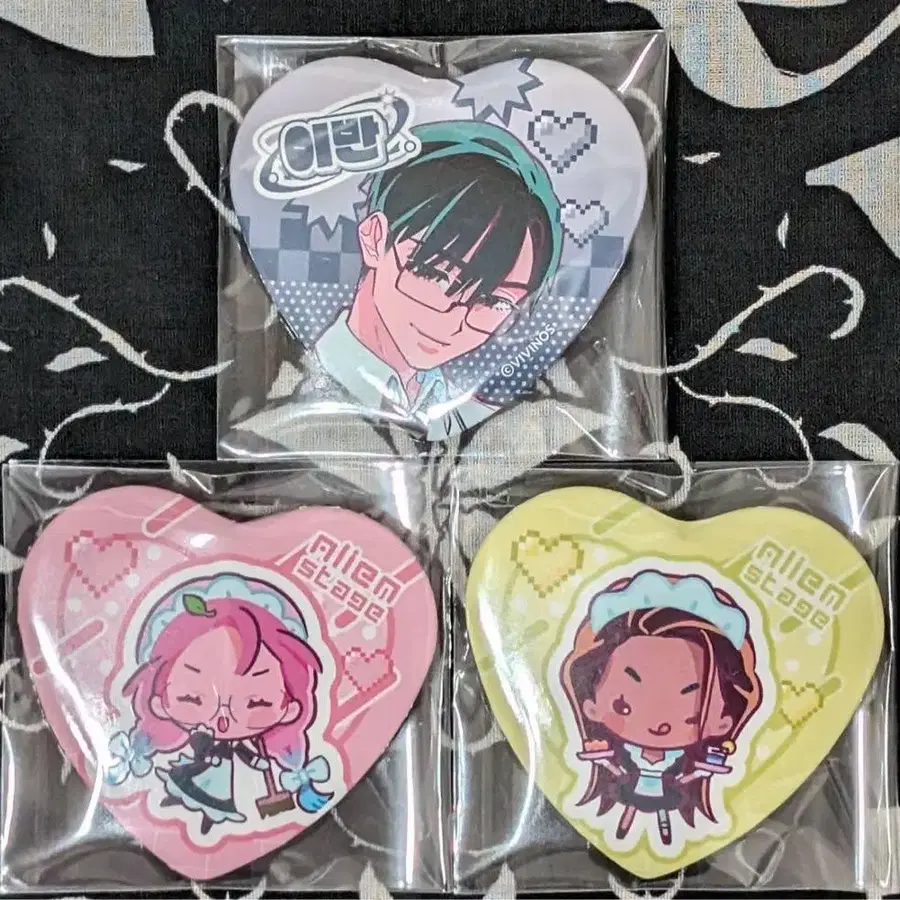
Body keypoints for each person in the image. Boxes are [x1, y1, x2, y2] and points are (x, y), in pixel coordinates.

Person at [314, 119, 563, 439]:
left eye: (494, 301)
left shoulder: (473, 416)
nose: (453, 321)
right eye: (433, 273)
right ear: (375, 238)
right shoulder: (291, 383)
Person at [105, 575, 333, 835]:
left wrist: (260, 763)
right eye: (192, 698)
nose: (223, 720)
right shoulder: (201, 737)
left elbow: (247, 755)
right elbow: (204, 746)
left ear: (290, 707)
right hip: (200, 772)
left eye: (256, 702)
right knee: (190, 793)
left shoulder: (243, 743)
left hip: (224, 781)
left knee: (214, 803)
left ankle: (205, 821)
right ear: (158, 702)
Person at [560, 570, 763, 848]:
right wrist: (606, 762)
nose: (657, 722)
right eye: (624, 706)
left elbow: (683, 776)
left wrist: (698, 773)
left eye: (690, 714)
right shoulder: (628, 754)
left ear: (723, 723)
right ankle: (626, 827)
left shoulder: (676, 760)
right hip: (624, 793)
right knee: (629, 805)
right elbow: (617, 768)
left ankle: (664, 833)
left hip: (674, 801)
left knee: (664, 813)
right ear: (590, 704)